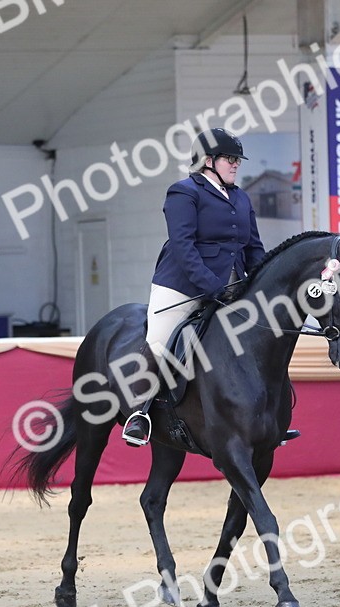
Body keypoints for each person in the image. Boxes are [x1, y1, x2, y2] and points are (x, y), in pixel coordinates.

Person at [122, 128, 267, 446]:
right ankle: (140, 413)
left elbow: (253, 247)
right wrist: (211, 286)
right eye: (230, 159)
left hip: (231, 285)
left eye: (237, 160)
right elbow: (183, 246)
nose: (235, 165)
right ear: (208, 161)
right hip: (183, 285)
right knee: (160, 341)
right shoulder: (184, 192)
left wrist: (262, 283)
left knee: (261, 338)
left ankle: (266, 416)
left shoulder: (241, 197)